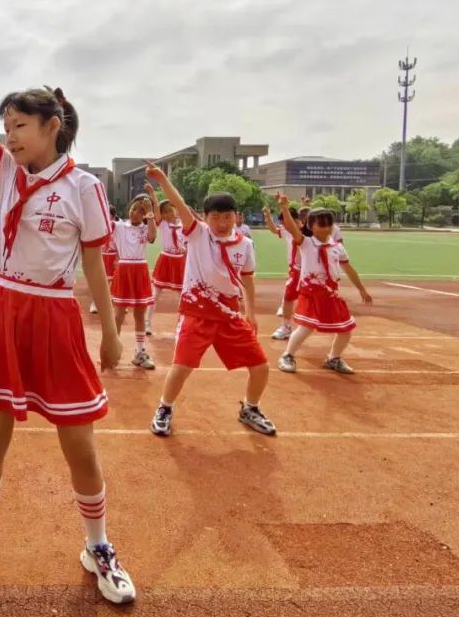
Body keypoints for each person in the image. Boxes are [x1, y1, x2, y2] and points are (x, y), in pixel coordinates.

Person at [0, 2, 135, 605]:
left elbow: (94, 261)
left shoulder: (85, 188)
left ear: (51, 128)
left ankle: (98, 545)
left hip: (56, 314)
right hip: (7, 308)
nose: (8, 135)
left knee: (79, 443)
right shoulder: (5, 174)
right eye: (5, 125)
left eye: (18, 126)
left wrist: (110, 333)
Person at [143, 168, 275, 437]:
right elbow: (178, 203)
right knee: (182, 366)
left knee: (261, 365)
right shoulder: (198, 233)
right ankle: (165, 408)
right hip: (197, 314)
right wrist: (162, 180)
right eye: (215, 217)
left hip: (229, 315)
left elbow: (247, 280)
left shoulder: (245, 245)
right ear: (205, 217)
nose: (222, 223)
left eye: (227, 217)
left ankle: (250, 408)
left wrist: (251, 312)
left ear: (236, 217)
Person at [276, 196, 373, 375]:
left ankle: (333, 358)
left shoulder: (337, 247)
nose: (327, 228)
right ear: (311, 226)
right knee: (306, 327)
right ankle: (287, 355)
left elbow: (349, 269)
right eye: (322, 224)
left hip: (331, 293)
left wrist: (361, 289)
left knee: (346, 328)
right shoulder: (306, 243)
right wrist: (284, 208)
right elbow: (290, 226)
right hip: (310, 292)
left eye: (329, 224)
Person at [110, 193, 157, 369]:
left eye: (140, 210)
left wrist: (151, 211)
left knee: (139, 314)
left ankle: (139, 352)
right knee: (119, 314)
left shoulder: (146, 228)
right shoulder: (119, 226)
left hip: (141, 270)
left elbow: (152, 237)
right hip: (124, 269)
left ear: (145, 214)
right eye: (133, 208)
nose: (135, 213)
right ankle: (112, 350)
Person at [263, 204, 310, 341]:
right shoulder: (287, 231)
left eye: (285, 222)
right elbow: (274, 229)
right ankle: (287, 327)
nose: (283, 225)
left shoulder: (307, 231)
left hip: (308, 270)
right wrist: (268, 217)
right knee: (289, 296)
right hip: (295, 270)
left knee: (310, 299)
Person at [146, 185, 185, 336]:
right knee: (154, 295)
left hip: (179, 262)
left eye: (170, 210)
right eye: (165, 212)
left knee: (182, 298)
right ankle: (147, 324)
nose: (168, 214)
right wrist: (152, 194)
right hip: (165, 260)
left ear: (176, 209)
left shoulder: (184, 225)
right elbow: (156, 209)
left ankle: (181, 326)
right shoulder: (163, 224)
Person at [88, 205, 119, 314]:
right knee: (99, 281)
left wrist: (118, 258)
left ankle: (116, 303)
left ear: (113, 216)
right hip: (102, 255)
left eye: (108, 214)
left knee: (115, 282)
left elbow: (120, 244)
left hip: (113, 255)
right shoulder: (99, 226)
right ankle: (94, 303)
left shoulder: (118, 227)